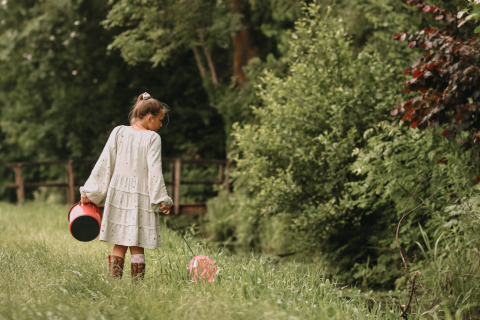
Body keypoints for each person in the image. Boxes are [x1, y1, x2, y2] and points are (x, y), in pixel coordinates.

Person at [79, 92, 173, 280]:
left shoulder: (119, 132)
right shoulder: (153, 138)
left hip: (119, 194)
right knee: (137, 243)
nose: (161, 125)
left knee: (119, 242)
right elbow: (155, 171)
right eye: (160, 120)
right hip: (141, 195)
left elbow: (105, 162)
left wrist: (91, 191)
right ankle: (137, 287)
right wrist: (162, 199)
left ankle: (114, 284)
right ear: (149, 118)